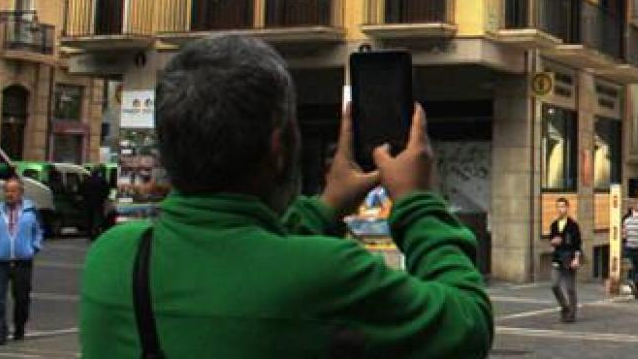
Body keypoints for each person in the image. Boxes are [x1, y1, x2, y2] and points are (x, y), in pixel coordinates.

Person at [76, 35, 493, 357]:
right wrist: (417, 202)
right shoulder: (326, 272)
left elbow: (241, 257)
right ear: (280, 148)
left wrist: (328, 204)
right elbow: (468, 323)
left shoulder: (113, 257)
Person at [0, 175, 42, 345]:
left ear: (21, 193)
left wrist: (34, 248)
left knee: (22, 298)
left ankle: (20, 327)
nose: (9, 194)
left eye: (13, 191)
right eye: (7, 190)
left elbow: (39, 231)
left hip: (22, 261)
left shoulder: (31, 211)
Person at [548, 196, 583, 321]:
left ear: (567, 208)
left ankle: (571, 314)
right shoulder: (554, 225)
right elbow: (551, 241)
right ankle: (565, 306)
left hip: (569, 258)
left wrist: (576, 259)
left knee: (570, 288)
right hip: (557, 258)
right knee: (554, 285)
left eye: (563, 206)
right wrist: (553, 242)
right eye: (558, 207)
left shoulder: (573, 225)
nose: (560, 209)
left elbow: (578, 244)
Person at [81, 166, 111, 240]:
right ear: (98, 173)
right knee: (98, 218)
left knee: (89, 218)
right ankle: (96, 231)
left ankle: (89, 233)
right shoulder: (102, 180)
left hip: (88, 202)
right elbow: (107, 191)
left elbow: (81, 191)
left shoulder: (86, 180)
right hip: (98, 202)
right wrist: (103, 198)